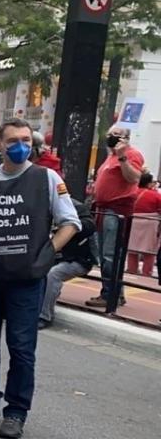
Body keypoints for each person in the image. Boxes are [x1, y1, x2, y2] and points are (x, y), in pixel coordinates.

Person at [0, 118, 80, 439]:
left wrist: (47, 253)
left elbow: (71, 222)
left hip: (26, 279)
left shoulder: (47, 178)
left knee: (21, 347)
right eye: (13, 140)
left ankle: (16, 411)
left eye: (25, 139)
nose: (21, 146)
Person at [86, 126, 145, 308]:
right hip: (103, 210)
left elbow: (134, 178)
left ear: (126, 138)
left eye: (116, 135)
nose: (111, 137)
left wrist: (122, 157)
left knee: (110, 255)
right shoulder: (110, 156)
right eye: (109, 134)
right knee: (105, 254)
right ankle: (113, 293)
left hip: (116, 211)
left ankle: (110, 294)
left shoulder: (131, 154)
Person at [38, 200, 97, 329]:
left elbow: (90, 225)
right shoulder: (42, 204)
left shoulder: (75, 207)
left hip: (77, 259)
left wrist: (68, 226)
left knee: (53, 275)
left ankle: (44, 316)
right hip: (52, 257)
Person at [127, 172, 161, 278]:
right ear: (149, 183)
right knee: (149, 250)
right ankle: (147, 272)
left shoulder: (132, 193)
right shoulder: (155, 195)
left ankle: (132, 269)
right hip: (150, 223)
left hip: (133, 222)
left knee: (132, 248)